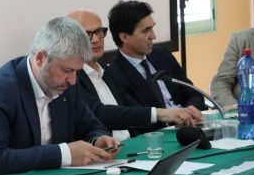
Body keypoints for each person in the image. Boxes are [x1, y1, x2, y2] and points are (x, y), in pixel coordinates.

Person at [0, 17, 120, 175]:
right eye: (67, 70)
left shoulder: (67, 85)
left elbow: (90, 125)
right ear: (40, 58)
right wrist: (65, 154)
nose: (73, 80)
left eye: (76, 71)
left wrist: (97, 140)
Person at [68, 9, 201, 140]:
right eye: (86, 34)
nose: (96, 39)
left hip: (133, 143)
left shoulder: (106, 71)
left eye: (99, 31)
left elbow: (131, 108)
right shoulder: (71, 77)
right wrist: (160, 114)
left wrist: (180, 114)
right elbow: (100, 113)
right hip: (105, 148)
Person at [103, 0, 206, 121]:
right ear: (124, 37)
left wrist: (192, 109)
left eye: (152, 28)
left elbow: (193, 92)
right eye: (145, 31)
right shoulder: (115, 74)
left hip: (190, 123)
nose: (153, 36)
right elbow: (137, 118)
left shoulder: (161, 54)